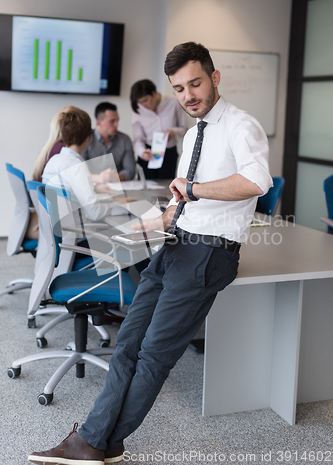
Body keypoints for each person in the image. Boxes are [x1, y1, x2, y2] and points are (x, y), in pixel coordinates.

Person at [28, 42, 273, 465]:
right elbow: (186, 194)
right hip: (174, 243)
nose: (188, 95)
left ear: (214, 78)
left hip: (209, 253)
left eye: (195, 83)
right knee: (127, 343)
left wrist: (192, 191)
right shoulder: (194, 133)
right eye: (179, 88)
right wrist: (162, 218)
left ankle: (93, 440)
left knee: (154, 356)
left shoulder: (241, 125)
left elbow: (256, 182)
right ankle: (101, 440)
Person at [42, 107, 122, 223]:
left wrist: (96, 190)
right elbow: (95, 213)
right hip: (77, 235)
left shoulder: (54, 160)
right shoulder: (77, 166)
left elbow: (71, 193)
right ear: (88, 138)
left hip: (58, 231)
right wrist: (118, 207)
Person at [131, 79, 186, 179]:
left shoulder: (174, 102)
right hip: (148, 153)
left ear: (154, 93)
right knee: (145, 188)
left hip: (169, 153)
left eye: (145, 100)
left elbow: (184, 129)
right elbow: (138, 139)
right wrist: (142, 152)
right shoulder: (138, 110)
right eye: (140, 103)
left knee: (167, 188)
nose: (144, 106)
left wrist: (174, 132)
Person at [82, 102, 136, 182]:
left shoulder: (125, 139)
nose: (116, 124)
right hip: (93, 186)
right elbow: (80, 170)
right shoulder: (86, 139)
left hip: (119, 187)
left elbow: (131, 170)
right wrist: (99, 178)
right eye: (112, 121)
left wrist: (116, 177)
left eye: (117, 120)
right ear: (99, 122)